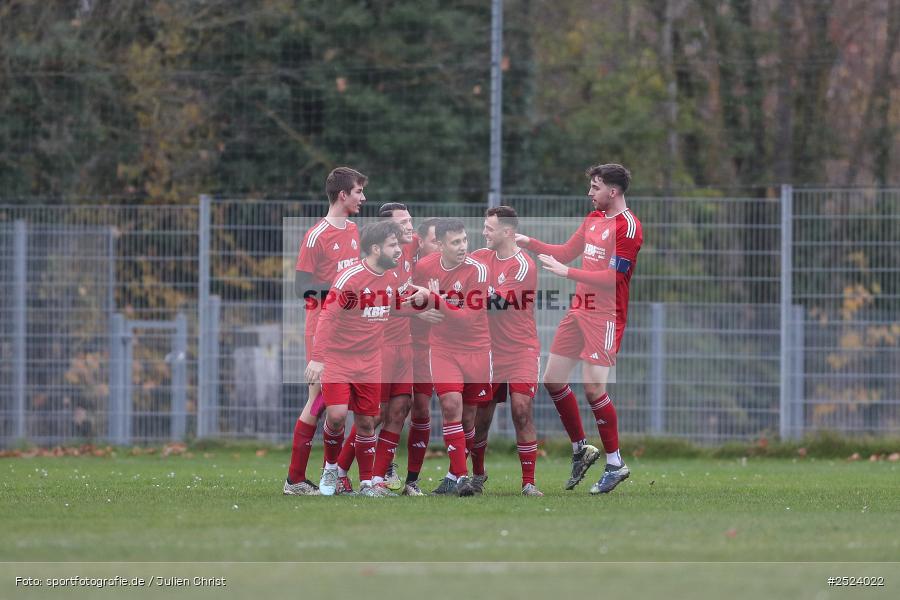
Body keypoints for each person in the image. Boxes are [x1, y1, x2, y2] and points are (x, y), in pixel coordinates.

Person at [516, 163, 642, 494]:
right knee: (553, 379)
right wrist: (526, 240)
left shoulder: (628, 228)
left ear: (612, 192)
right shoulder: (593, 220)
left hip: (605, 315)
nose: (590, 192)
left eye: (595, 187)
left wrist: (566, 274)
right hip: (579, 311)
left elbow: (614, 278)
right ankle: (581, 448)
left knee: (593, 389)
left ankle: (615, 463)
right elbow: (566, 252)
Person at [306, 220, 427, 497]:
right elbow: (328, 316)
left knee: (367, 420)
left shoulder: (389, 278)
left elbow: (390, 306)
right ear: (375, 248)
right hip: (339, 359)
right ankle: (330, 467)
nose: (399, 250)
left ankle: (367, 483)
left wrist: (422, 307)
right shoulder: (351, 278)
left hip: (371, 361)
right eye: (393, 245)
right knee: (336, 416)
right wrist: (317, 358)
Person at [283, 166, 367, 496]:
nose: (363, 198)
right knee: (318, 401)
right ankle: (295, 479)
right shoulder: (316, 235)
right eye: (359, 192)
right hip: (322, 329)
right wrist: (339, 292)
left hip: (351, 332)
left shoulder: (354, 230)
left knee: (347, 406)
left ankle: (331, 475)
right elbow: (301, 287)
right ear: (342, 195)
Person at [413, 218, 492, 497]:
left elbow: (468, 320)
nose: (462, 247)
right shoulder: (424, 268)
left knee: (469, 418)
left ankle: (454, 474)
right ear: (440, 244)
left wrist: (436, 300)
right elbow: (410, 298)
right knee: (450, 405)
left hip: (476, 349)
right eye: (455, 242)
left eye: (464, 240)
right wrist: (420, 310)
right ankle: (461, 478)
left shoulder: (478, 271)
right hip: (443, 348)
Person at [470, 206, 543, 496]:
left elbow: (497, 304)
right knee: (481, 417)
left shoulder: (523, 265)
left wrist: (463, 298)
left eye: (489, 228)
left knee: (521, 410)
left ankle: (529, 482)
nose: (484, 232)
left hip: (520, 350)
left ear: (507, 232)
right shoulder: (478, 258)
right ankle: (477, 475)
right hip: (489, 351)